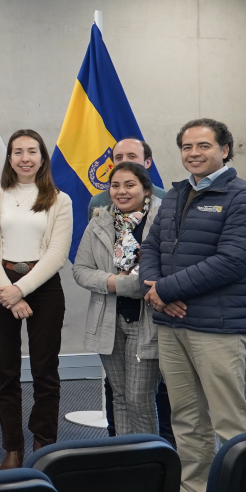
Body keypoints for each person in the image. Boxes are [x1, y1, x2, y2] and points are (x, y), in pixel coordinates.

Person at [142, 118, 246, 492]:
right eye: (187, 147)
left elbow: (232, 261)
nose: (193, 154)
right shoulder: (175, 195)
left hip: (216, 327)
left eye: (203, 146)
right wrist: (155, 289)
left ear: (225, 150)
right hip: (171, 324)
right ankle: (194, 491)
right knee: (185, 417)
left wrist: (164, 289)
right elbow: (150, 248)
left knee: (229, 418)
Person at [0, 129, 73, 469]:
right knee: (6, 372)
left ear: (42, 157)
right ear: (10, 158)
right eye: (18, 152)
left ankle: (43, 442)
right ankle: (13, 447)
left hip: (43, 287)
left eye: (32, 151)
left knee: (45, 370)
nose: (25, 158)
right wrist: (8, 291)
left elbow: (57, 255)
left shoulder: (60, 200)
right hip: (0, 285)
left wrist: (22, 290)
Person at [72, 161, 160, 436]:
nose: (121, 191)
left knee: (139, 398)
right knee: (119, 396)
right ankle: (126, 460)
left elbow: (166, 271)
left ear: (146, 189)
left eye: (130, 185)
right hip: (108, 320)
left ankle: (149, 462)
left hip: (148, 320)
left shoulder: (163, 221)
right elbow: (81, 270)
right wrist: (116, 283)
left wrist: (128, 285)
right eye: (115, 185)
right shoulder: (100, 221)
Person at [87, 138, 167, 214]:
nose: (124, 161)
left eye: (132, 156)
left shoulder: (166, 199)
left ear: (148, 163)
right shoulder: (98, 202)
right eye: (119, 157)